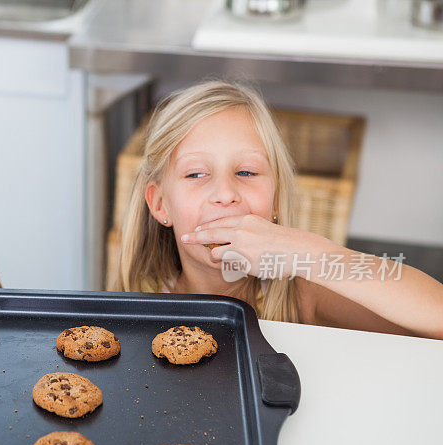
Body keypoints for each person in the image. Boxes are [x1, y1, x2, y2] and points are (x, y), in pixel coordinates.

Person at [116, 81, 443, 339]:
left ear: (275, 201)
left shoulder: (301, 292)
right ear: (160, 204)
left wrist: (312, 255)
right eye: (196, 174)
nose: (226, 193)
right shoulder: (142, 300)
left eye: (246, 172)